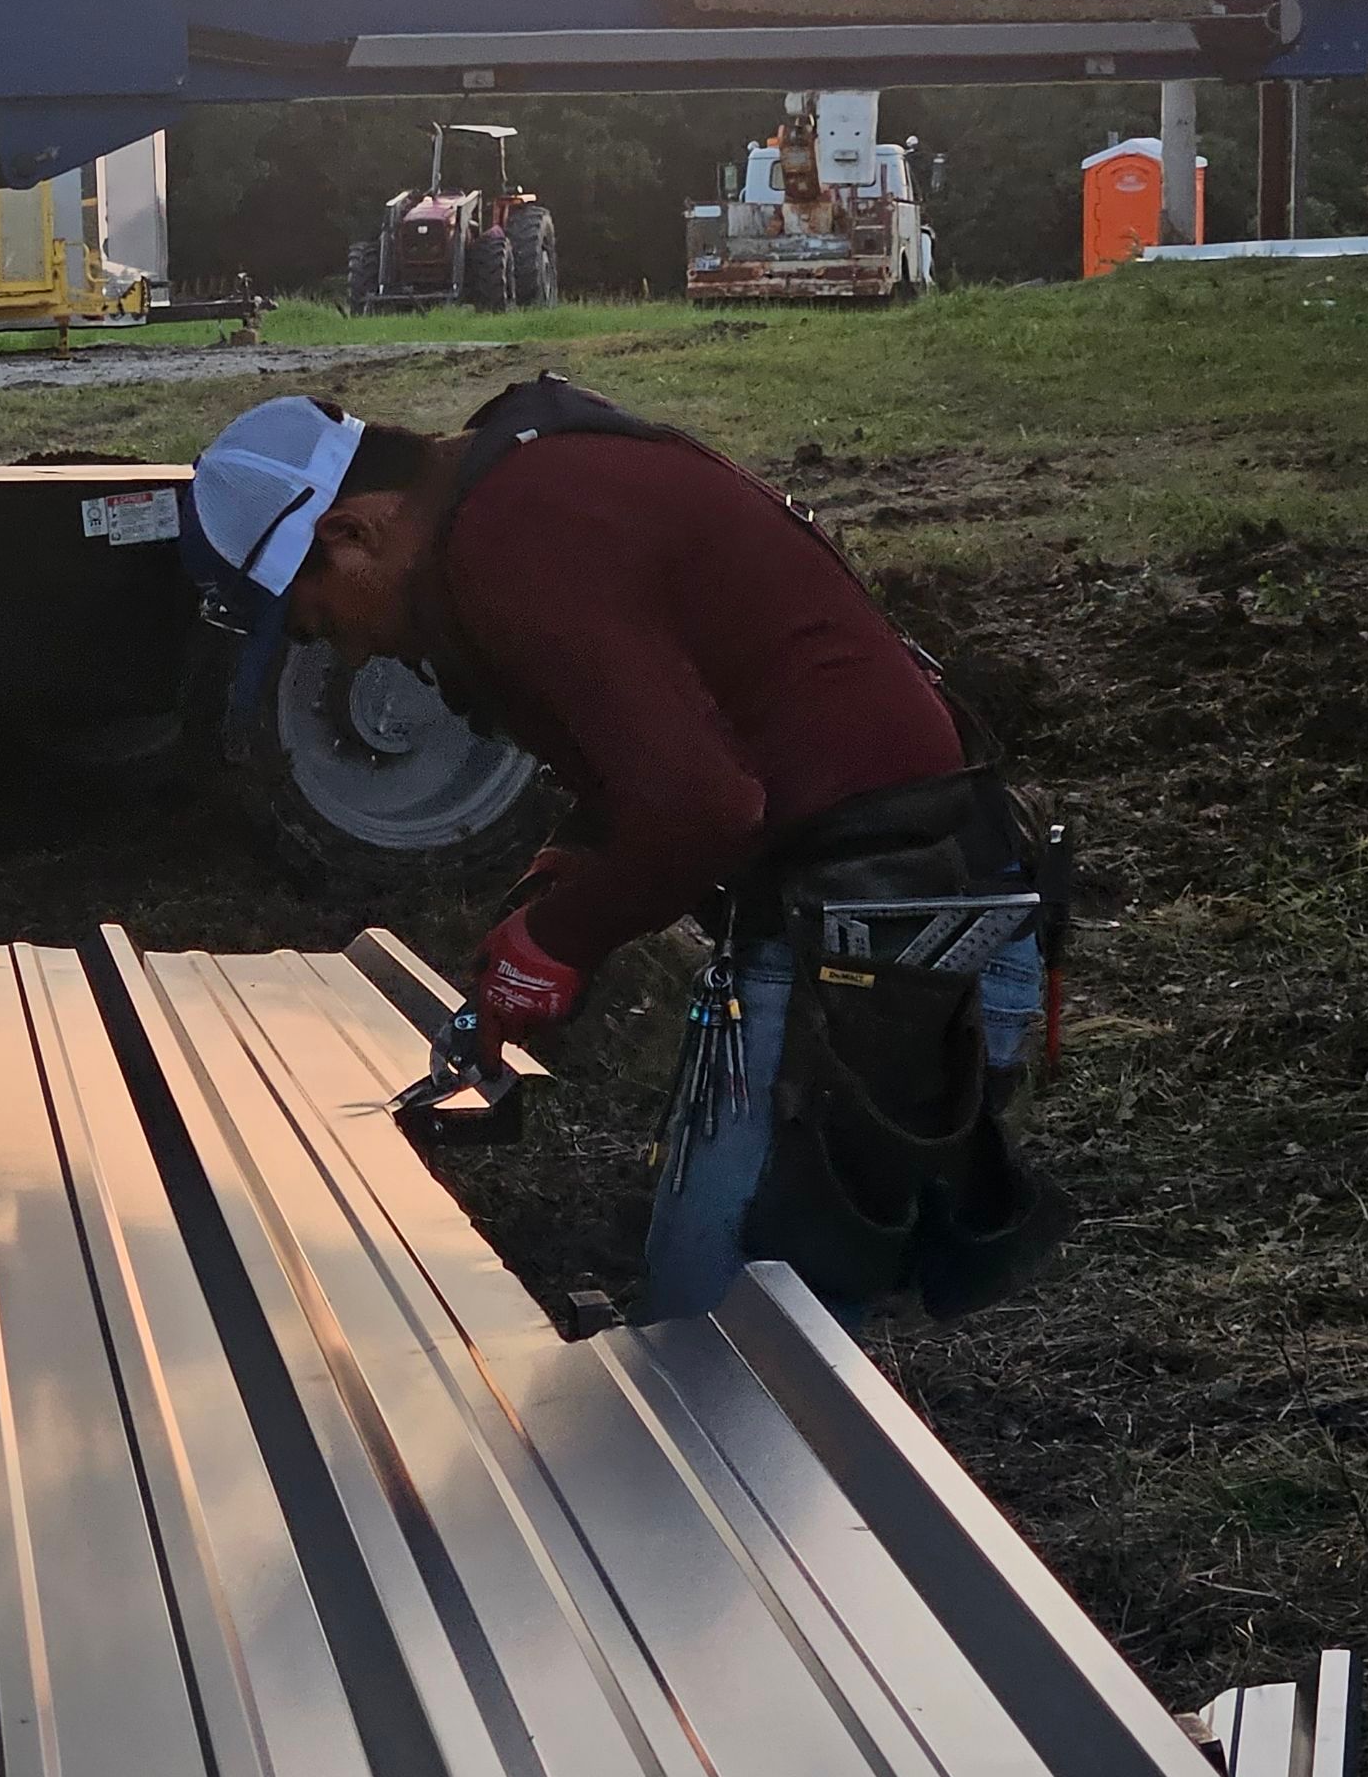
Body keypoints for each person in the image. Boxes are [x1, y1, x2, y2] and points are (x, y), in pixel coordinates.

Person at [187, 376, 1067, 1327]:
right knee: (760, 1297)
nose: (347, 653)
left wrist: (560, 939)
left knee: (720, 1317)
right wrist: (575, 860)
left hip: (880, 914)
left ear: (349, 532)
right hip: (889, 885)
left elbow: (705, 806)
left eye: (319, 620)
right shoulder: (519, 486)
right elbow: (674, 726)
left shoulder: (507, 542)